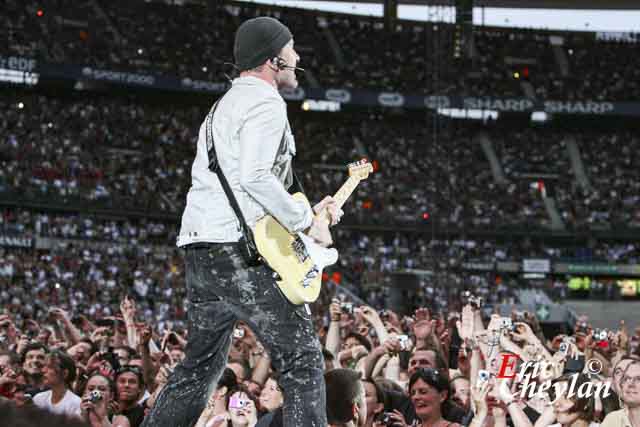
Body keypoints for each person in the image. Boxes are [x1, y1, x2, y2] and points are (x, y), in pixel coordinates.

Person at [143, 15, 341, 427]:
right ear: (274, 60)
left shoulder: (223, 106)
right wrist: (306, 220)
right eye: (291, 50)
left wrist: (307, 207)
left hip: (201, 247)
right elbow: (254, 177)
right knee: (302, 357)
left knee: (198, 368)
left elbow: (247, 179)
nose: (298, 56)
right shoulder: (266, 102)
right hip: (239, 250)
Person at [32, 350, 82, 416]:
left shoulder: (76, 403)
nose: (43, 370)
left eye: (50, 367)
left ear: (65, 373)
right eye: (44, 366)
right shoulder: (38, 399)